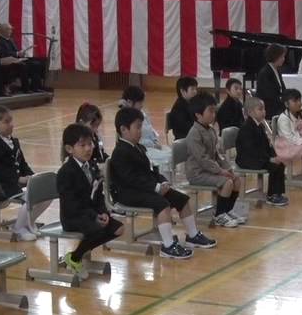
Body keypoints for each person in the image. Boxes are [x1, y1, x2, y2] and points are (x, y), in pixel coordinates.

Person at [109, 107, 214, 257]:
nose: (140, 131)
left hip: (144, 188)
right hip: (128, 193)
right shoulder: (120, 152)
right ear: (124, 129)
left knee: (181, 199)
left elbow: (150, 172)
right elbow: (130, 179)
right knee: (162, 204)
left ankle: (192, 235)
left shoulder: (138, 147)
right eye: (137, 127)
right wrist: (156, 187)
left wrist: (163, 182)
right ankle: (168, 245)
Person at [56, 123, 124, 275]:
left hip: (91, 214)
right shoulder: (66, 172)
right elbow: (71, 204)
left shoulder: (92, 166)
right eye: (82, 145)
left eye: (90, 143)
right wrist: (94, 216)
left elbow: (99, 195)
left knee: (119, 228)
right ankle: (75, 257)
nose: (88, 148)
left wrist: (103, 212)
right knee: (98, 229)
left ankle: (76, 255)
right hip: (72, 217)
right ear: (69, 149)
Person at [0, 106, 46, 242]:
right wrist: (19, 179)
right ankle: (18, 228)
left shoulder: (14, 141)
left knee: (45, 193)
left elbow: (23, 164)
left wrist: (32, 177)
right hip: (0, 186)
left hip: (15, 183)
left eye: (11, 121)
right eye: (6, 122)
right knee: (32, 197)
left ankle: (27, 223)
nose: (11, 125)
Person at [183, 92, 244, 228]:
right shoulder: (194, 134)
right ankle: (219, 215)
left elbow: (218, 154)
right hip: (197, 173)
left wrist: (228, 168)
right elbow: (202, 159)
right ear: (198, 115)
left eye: (214, 111)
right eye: (210, 111)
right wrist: (220, 171)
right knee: (227, 182)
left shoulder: (211, 131)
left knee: (236, 179)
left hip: (210, 170)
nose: (213, 115)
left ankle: (228, 210)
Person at [235, 96, 288, 207]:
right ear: (250, 112)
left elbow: (266, 146)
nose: (264, 112)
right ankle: (271, 196)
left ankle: (277, 193)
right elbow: (251, 150)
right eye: (260, 109)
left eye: (264, 109)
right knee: (274, 166)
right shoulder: (247, 127)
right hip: (248, 159)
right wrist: (269, 159)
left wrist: (275, 155)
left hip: (258, 157)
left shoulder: (259, 125)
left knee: (280, 163)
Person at [118, 85, 170, 167]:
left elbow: (151, 130)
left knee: (171, 152)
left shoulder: (142, 113)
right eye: (140, 102)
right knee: (168, 158)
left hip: (151, 147)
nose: (142, 105)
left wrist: (155, 142)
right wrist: (153, 145)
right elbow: (136, 141)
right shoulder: (126, 119)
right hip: (143, 150)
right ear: (129, 102)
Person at [0, 22, 47, 93]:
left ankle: (36, 87)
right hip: (8, 61)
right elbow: (3, 53)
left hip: (17, 59)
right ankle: (26, 88)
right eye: (8, 29)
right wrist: (17, 54)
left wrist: (21, 53)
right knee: (24, 66)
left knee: (38, 63)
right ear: (2, 30)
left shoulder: (11, 40)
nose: (10, 31)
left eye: (11, 29)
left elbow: (16, 52)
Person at [255, 43, 288, 118]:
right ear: (275, 56)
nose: (284, 59)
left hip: (276, 104)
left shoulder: (277, 70)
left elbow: (283, 89)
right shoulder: (265, 73)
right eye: (282, 57)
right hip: (268, 107)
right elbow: (270, 94)